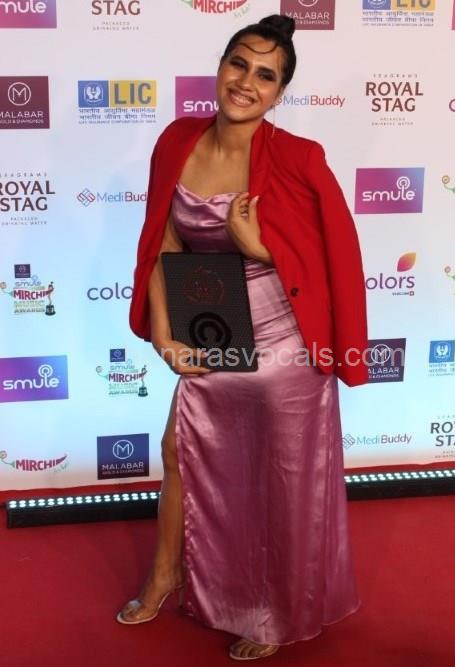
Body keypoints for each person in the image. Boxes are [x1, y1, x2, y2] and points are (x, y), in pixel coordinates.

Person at [118, 14, 369, 661]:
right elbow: (163, 241)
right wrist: (165, 334)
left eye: (265, 75)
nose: (246, 82)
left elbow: (336, 257)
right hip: (217, 328)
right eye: (239, 64)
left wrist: (260, 248)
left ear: (279, 92)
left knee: (280, 478)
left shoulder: (299, 157)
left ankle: (272, 611)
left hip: (286, 346)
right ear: (221, 65)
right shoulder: (177, 140)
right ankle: (166, 576)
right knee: (179, 449)